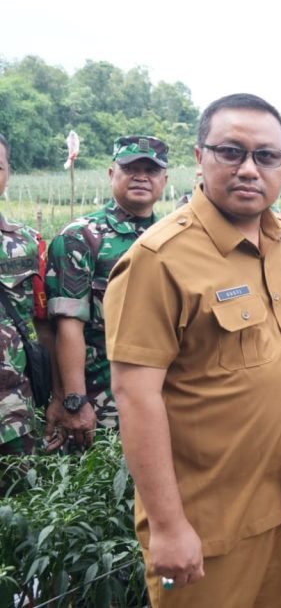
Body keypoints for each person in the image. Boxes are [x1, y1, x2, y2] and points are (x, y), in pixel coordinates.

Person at [104, 93, 281, 607]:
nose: (249, 169)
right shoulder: (159, 260)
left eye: (266, 156)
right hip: (207, 525)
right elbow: (136, 397)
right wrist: (169, 527)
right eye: (231, 152)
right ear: (200, 157)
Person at [45, 135, 169, 450]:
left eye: (151, 170)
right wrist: (75, 401)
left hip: (166, 397)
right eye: (130, 168)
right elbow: (68, 326)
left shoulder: (173, 237)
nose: (141, 177)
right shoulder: (81, 237)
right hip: (103, 403)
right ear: (112, 174)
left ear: (165, 180)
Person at [0, 132, 49, 458]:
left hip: (13, 415)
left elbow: (44, 324)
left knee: (22, 489)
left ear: (8, 174)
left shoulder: (29, 244)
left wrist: (60, 398)